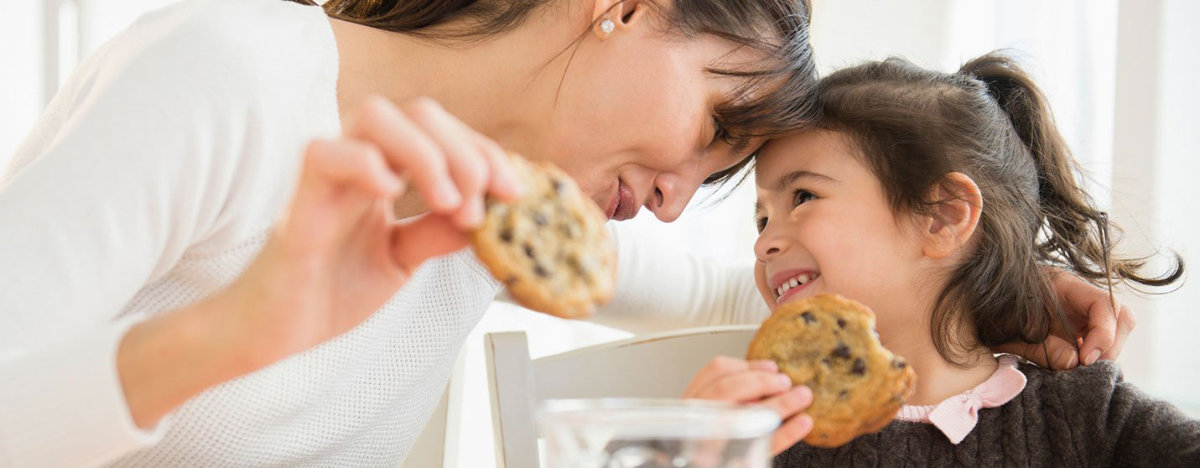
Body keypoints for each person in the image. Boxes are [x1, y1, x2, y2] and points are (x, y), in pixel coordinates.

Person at [0, 0, 1131, 464]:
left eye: (720, 177)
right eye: (711, 126)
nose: (683, 198)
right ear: (626, 8)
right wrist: (236, 332)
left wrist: (1003, 280)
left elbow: (733, 293)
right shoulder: (226, 77)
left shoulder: (502, 206)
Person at [692, 52, 1198, 465]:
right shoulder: (760, 434)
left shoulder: (1089, 416)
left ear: (942, 218)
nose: (763, 245)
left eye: (802, 197)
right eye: (761, 219)